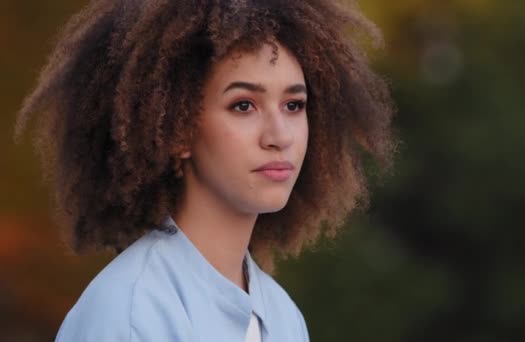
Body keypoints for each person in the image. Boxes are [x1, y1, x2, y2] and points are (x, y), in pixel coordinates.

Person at [13, 0, 397, 341]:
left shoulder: (284, 318)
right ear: (176, 128)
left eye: (293, 105)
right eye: (244, 105)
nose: (279, 136)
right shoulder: (129, 311)